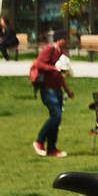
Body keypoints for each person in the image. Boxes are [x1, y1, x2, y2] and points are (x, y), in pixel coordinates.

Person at [30, 29, 70, 157]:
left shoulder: (62, 53)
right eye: (65, 38)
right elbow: (39, 64)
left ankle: (52, 148)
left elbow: (60, 75)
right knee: (56, 116)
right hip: (48, 89)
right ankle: (39, 141)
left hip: (57, 89)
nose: (67, 41)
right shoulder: (48, 50)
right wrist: (53, 68)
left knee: (57, 120)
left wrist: (67, 90)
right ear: (59, 39)